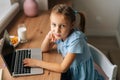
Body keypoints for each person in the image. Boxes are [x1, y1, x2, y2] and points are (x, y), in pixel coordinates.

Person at [23, 4, 104, 80]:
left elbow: (63, 68)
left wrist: (37, 63)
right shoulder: (60, 34)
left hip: (81, 77)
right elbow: (44, 49)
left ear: (71, 25)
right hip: (70, 71)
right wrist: (48, 37)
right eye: (54, 24)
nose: (57, 30)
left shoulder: (76, 40)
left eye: (62, 26)